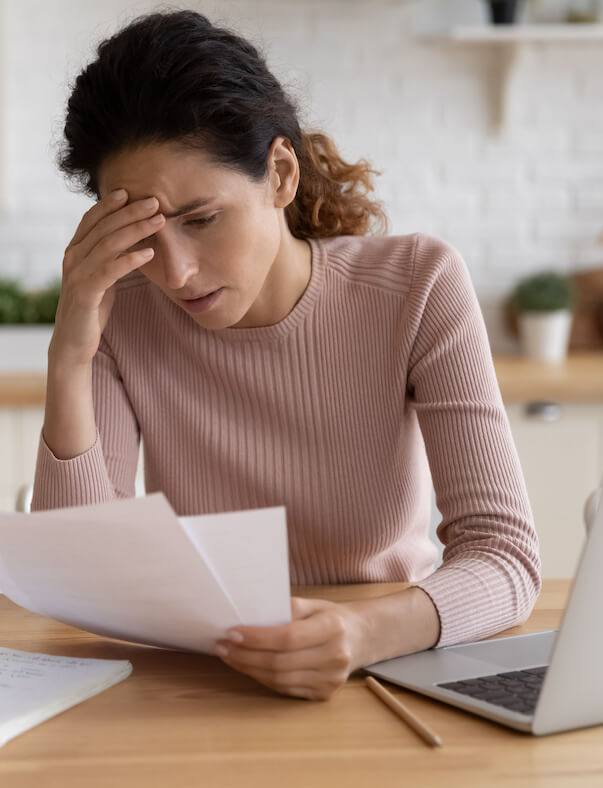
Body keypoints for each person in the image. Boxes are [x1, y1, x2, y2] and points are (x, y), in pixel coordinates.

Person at [32, 10, 540, 701]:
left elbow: (506, 560)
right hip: (206, 682)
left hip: (389, 671)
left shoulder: (418, 285)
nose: (175, 273)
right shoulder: (118, 315)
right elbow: (82, 581)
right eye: (143, 235)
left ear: (279, 174)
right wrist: (69, 353)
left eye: (201, 221)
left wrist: (363, 635)